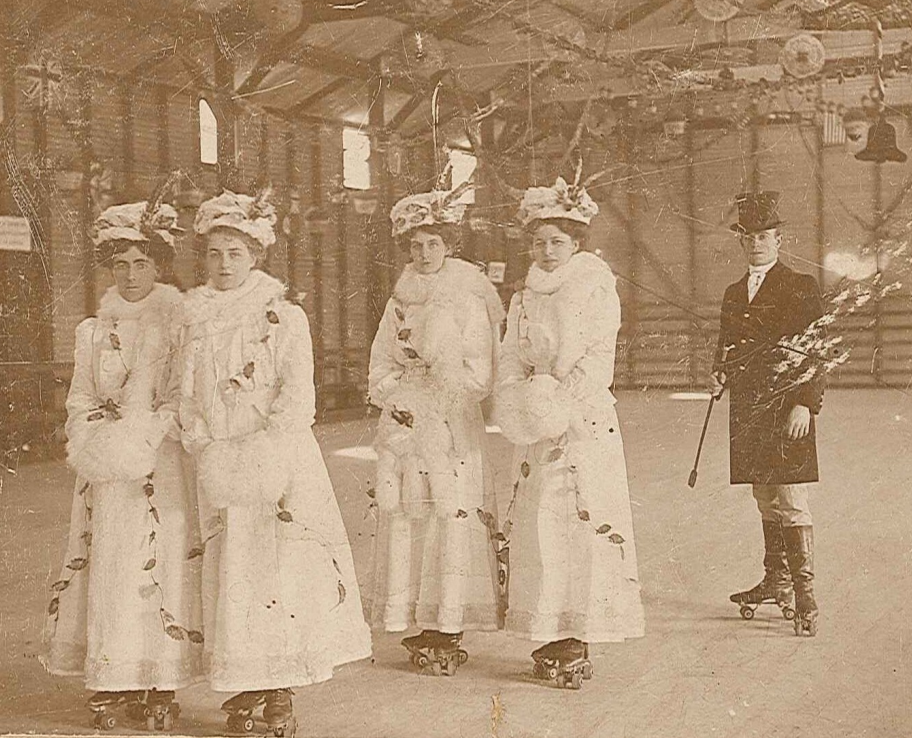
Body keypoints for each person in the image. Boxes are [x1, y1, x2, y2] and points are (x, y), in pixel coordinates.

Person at [178, 190, 370, 736]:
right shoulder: (193, 319)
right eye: (214, 253)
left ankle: (280, 685)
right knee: (231, 567)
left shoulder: (283, 317)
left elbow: (297, 396)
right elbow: (185, 393)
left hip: (275, 459)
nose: (223, 265)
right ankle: (243, 680)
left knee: (276, 568)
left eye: (235, 253)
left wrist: (264, 451)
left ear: (255, 255)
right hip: (217, 459)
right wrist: (202, 440)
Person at [41, 199, 201, 730]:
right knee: (111, 567)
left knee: (159, 566)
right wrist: (94, 441)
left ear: (160, 267)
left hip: (161, 467)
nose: (130, 276)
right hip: (108, 471)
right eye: (120, 265)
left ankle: (161, 678)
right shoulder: (93, 331)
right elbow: (80, 399)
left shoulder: (179, 326)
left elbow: (182, 399)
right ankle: (113, 677)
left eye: (141, 264)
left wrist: (145, 432)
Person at [492, 177, 644, 688]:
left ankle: (579, 628)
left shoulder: (595, 287)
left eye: (557, 241)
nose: (547, 251)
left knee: (579, 519)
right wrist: (520, 395)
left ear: (577, 243)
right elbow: (510, 352)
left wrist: (559, 399)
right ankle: (547, 624)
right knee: (539, 522)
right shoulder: (524, 295)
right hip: (537, 421)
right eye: (539, 243)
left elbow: (599, 357)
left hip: (579, 421)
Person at [367, 184, 505, 675]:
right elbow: (380, 364)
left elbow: (479, 375)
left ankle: (449, 620)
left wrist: (434, 393)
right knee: (410, 515)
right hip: (407, 423)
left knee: (451, 516)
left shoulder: (467, 300)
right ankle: (419, 616)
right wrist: (399, 395)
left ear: (449, 246)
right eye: (415, 245)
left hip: (450, 424)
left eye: (433, 244)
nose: (423, 254)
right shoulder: (400, 302)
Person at [709, 191, 826, 636]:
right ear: (741, 241)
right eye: (749, 236)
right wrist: (719, 376)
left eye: (765, 236)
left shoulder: (801, 286)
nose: (757, 243)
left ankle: (804, 592)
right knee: (764, 495)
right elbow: (727, 348)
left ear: (779, 239)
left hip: (787, 408)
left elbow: (819, 350)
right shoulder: (733, 293)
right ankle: (775, 580)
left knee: (791, 499)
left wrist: (805, 403)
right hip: (749, 410)